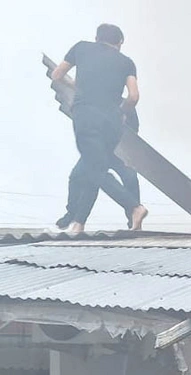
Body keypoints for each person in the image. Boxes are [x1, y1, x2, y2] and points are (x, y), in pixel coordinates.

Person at [51, 24, 149, 233]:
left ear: (96, 38)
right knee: (88, 170)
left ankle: (134, 208)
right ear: (120, 43)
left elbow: (57, 75)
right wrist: (122, 112)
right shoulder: (127, 63)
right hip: (112, 125)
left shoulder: (81, 48)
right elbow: (133, 97)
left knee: (94, 170)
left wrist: (78, 88)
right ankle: (78, 222)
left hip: (87, 119)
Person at [56, 107, 140, 231]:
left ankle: (133, 217)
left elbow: (133, 130)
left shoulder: (123, 104)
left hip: (118, 151)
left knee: (130, 178)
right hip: (98, 149)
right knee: (77, 177)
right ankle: (73, 215)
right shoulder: (92, 101)